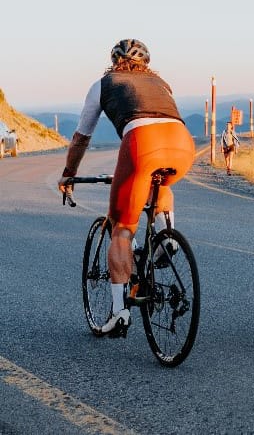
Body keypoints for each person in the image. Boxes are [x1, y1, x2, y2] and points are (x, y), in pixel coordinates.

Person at [59, 39, 195, 335]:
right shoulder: (161, 82)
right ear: (146, 64)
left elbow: (82, 137)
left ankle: (120, 312)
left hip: (141, 145)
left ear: (113, 62)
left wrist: (69, 173)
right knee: (159, 181)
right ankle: (165, 236)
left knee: (121, 228)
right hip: (183, 145)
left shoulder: (103, 84)